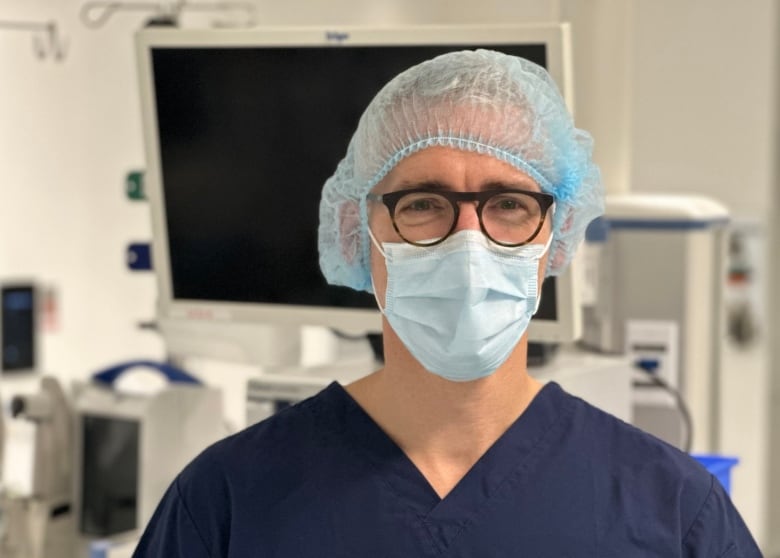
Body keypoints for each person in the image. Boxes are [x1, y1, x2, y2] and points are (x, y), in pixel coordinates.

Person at [133, 50, 761, 557]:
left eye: (510, 205)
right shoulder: (229, 501)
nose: (468, 245)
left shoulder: (672, 511)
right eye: (424, 205)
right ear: (360, 229)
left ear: (557, 235)